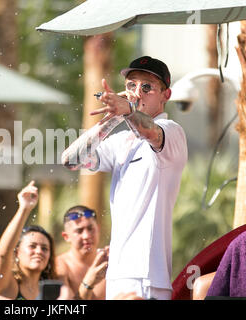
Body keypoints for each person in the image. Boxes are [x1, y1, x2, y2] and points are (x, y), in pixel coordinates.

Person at [62, 56, 188, 300]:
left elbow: (150, 131)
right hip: (118, 274)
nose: (136, 92)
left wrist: (128, 111)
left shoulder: (173, 131)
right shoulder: (122, 142)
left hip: (147, 276)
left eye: (147, 87)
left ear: (166, 95)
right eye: (131, 85)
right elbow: (70, 160)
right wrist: (112, 118)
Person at [0, 181, 62, 300]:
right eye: (32, 246)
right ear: (17, 252)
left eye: (44, 248)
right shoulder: (7, 286)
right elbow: (3, 254)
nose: (39, 251)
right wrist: (24, 209)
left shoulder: (52, 292)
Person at [55, 205, 108, 300]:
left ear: (98, 229)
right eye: (79, 231)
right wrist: (88, 283)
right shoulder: (60, 265)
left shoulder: (109, 260)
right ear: (66, 236)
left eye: (90, 229)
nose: (86, 236)